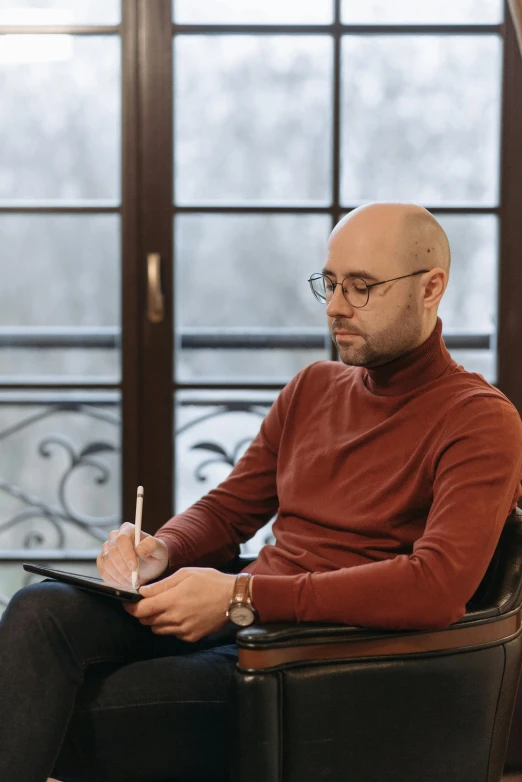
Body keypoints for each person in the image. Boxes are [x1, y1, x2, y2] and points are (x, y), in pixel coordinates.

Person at [0, 202, 521, 782]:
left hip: (311, 659)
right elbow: (229, 509)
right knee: (39, 609)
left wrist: (241, 593)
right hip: (248, 620)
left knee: (67, 705)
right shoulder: (314, 387)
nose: (337, 307)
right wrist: (163, 551)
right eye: (329, 283)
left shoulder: (479, 420)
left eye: (361, 287)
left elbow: (436, 587)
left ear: (431, 288)